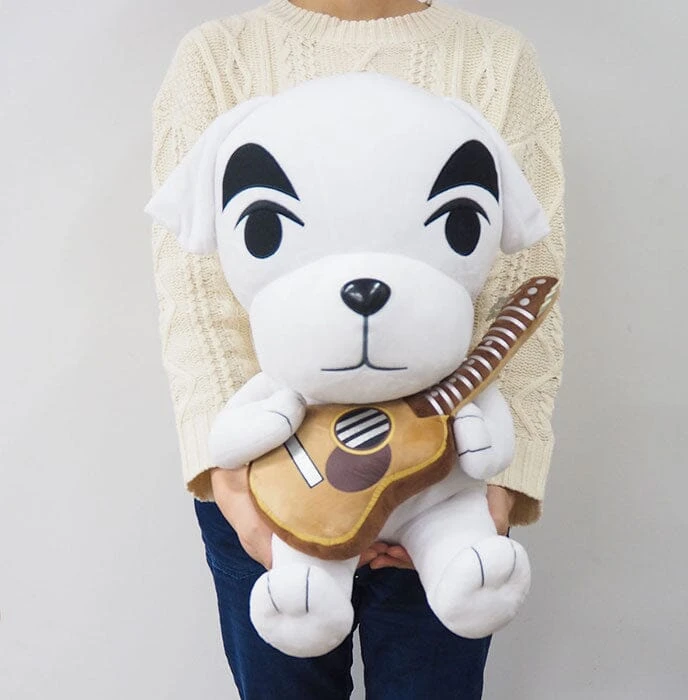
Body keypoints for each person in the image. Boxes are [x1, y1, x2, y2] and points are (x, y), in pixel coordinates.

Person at [148, 0, 565, 697]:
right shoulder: (217, 57)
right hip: (266, 485)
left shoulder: (496, 59)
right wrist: (232, 484)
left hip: (446, 476)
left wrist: (501, 482)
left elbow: (527, 292)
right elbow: (195, 299)